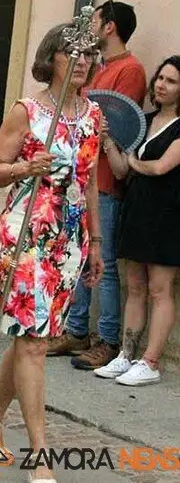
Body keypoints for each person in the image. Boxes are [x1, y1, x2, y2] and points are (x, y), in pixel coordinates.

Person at [0, 23, 104, 483]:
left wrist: (97, 242)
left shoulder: (93, 116)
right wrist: (27, 166)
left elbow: (88, 181)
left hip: (69, 236)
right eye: (73, 52)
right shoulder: (27, 110)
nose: (83, 61)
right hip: (27, 229)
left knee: (35, 337)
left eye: (90, 54)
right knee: (32, 341)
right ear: (53, 58)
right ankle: (41, 454)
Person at [49, 0, 148, 371]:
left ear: (109, 27)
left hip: (106, 180)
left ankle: (107, 339)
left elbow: (118, 125)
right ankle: (76, 329)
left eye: (94, 20)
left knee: (102, 263)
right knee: (77, 256)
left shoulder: (131, 69)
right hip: (83, 175)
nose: (89, 26)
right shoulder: (100, 67)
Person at [94, 56, 180, 386]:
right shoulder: (143, 121)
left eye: (171, 81)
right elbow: (120, 170)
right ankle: (126, 355)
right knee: (135, 287)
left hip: (168, 216)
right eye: (160, 77)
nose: (161, 84)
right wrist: (108, 141)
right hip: (137, 211)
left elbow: (159, 168)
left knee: (160, 290)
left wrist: (132, 159)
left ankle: (151, 361)